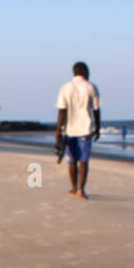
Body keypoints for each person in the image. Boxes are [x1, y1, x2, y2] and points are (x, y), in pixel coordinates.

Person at [55, 62, 101, 199]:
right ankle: (82, 190)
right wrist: (98, 127)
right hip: (85, 128)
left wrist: (58, 130)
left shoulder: (65, 88)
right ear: (85, 72)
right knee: (83, 160)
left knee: (71, 159)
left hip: (69, 130)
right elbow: (97, 110)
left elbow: (61, 111)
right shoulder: (91, 87)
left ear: (74, 72)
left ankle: (73, 187)